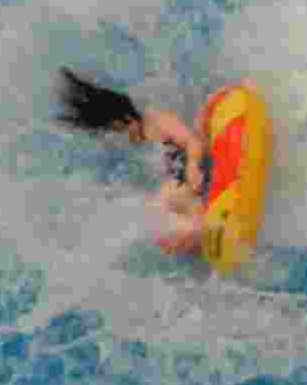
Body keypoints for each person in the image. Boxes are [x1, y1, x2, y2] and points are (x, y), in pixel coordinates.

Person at [53, 67, 209, 255]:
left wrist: (193, 165)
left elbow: (192, 141)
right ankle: (195, 232)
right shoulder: (140, 138)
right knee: (156, 217)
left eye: (119, 129)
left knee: (158, 206)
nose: (121, 136)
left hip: (191, 179)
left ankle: (200, 230)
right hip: (180, 186)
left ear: (129, 118)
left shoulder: (157, 121)